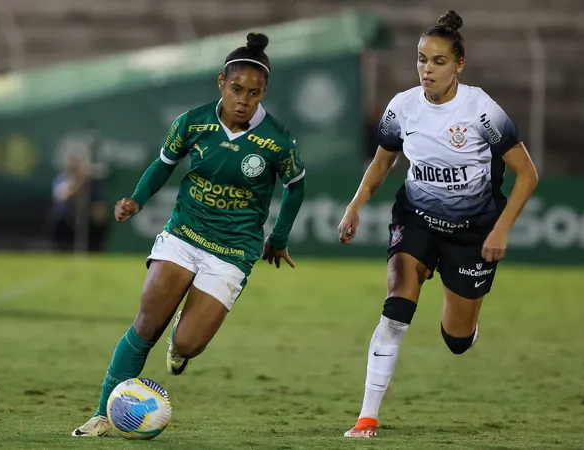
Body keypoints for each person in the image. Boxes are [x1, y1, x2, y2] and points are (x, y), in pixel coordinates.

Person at [72, 32, 306, 437]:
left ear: (263, 92)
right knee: (145, 324)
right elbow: (163, 164)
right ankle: (101, 414)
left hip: (233, 251)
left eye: (253, 93)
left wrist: (279, 236)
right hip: (184, 233)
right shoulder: (193, 122)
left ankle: (180, 343)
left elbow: (296, 185)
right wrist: (137, 200)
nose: (243, 100)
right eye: (236, 89)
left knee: (189, 344)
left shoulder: (277, 140)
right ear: (221, 82)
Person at [338, 11, 539, 438]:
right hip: (416, 220)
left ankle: (465, 326)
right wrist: (355, 205)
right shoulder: (402, 107)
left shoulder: (482, 110)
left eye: (438, 62)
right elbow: (383, 161)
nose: (426, 69)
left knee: (456, 339)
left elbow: (528, 174)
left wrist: (502, 228)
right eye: (421, 60)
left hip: (474, 233)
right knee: (396, 309)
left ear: (459, 65)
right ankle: (366, 418)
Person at [50, 150, 108, 252]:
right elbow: (63, 196)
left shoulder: (92, 184)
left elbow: (99, 205)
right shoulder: (62, 178)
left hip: (86, 217)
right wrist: (79, 183)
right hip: (66, 218)